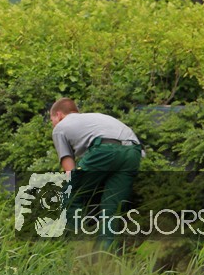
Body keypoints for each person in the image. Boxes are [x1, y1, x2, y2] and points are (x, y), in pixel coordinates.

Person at [49, 97, 143, 249]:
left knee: (71, 195)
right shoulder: (96, 118)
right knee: (112, 206)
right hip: (133, 152)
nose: (53, 124)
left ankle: (74, 248)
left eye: (51, 120)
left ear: (58, 115)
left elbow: (68, 166)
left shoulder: (60, 127)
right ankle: (104, 254)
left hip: (105, 150)